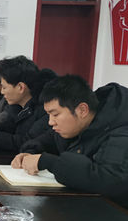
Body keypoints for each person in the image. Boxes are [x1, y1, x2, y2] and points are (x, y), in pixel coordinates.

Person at [11, 75, 128, 208]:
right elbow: (47, 140)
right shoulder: (74, 125)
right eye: (48, 115)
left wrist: (49, 162)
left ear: (82, 110)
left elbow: (109, 181)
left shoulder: (121, 133)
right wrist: (29, 153)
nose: (50, 122)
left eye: (55, 114)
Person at [0, 56, 55, 152]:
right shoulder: (16, 107)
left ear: (20, 87)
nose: (2, 92)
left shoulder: (45, 110)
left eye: (4, 87)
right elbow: (4, 128)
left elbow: (25, 142)